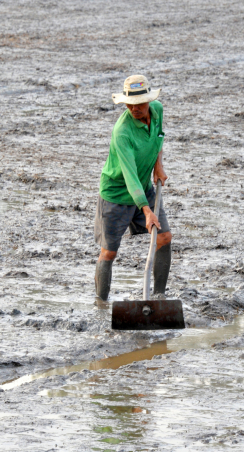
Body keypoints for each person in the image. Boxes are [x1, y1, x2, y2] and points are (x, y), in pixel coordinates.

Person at [94, 74, 172, 302]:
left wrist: (158, 165)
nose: (134, 108)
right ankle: (101, 304)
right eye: (129, 104)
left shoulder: (157, 110)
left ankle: (158, 297)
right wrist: (146, 211)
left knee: (164, 237)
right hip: (117, 193)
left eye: (139, 104)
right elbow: (129, 177)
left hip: (144, 187)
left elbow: (158, 138)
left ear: (148, 101)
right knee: (109, 252)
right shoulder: (122, 132)